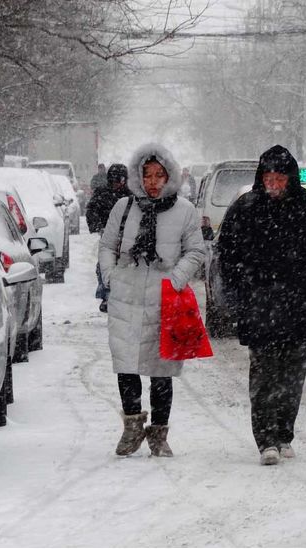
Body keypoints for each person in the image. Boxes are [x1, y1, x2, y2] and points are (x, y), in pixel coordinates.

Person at [216, 144, 306, 466]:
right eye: (269, 178)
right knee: (262, 375)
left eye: (280, 178)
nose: (274, 184)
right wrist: (243, 290)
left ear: (291, 178)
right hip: (259, 307)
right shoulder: (245, 210)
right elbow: (227, 256)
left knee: (291, 375)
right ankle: (265, 440)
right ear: (262, 178)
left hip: (300, 306)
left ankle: (284, 433)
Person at [99, 144, 205, 457]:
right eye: (147, 175)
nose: (153, 182)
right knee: (126, 365)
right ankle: (132, 426)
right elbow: (106, 246)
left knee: (162, 371)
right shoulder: (123, 207)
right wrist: (110, 276)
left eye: (160, 175)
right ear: (138, 176)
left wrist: (174, 279)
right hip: (126, 298)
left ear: (170, 176)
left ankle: (159, 433)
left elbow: (196, 251)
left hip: (165, 301)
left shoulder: (184, 210)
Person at [86, 163, 131, 312]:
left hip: (129, 236)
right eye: (114, 181)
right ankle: (105, 293)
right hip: (108, 235)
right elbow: (91, 210)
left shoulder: (132, 195)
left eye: (120, 181)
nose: (117, 184)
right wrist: (98, 226)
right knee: (103, 265)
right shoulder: (102, 193)